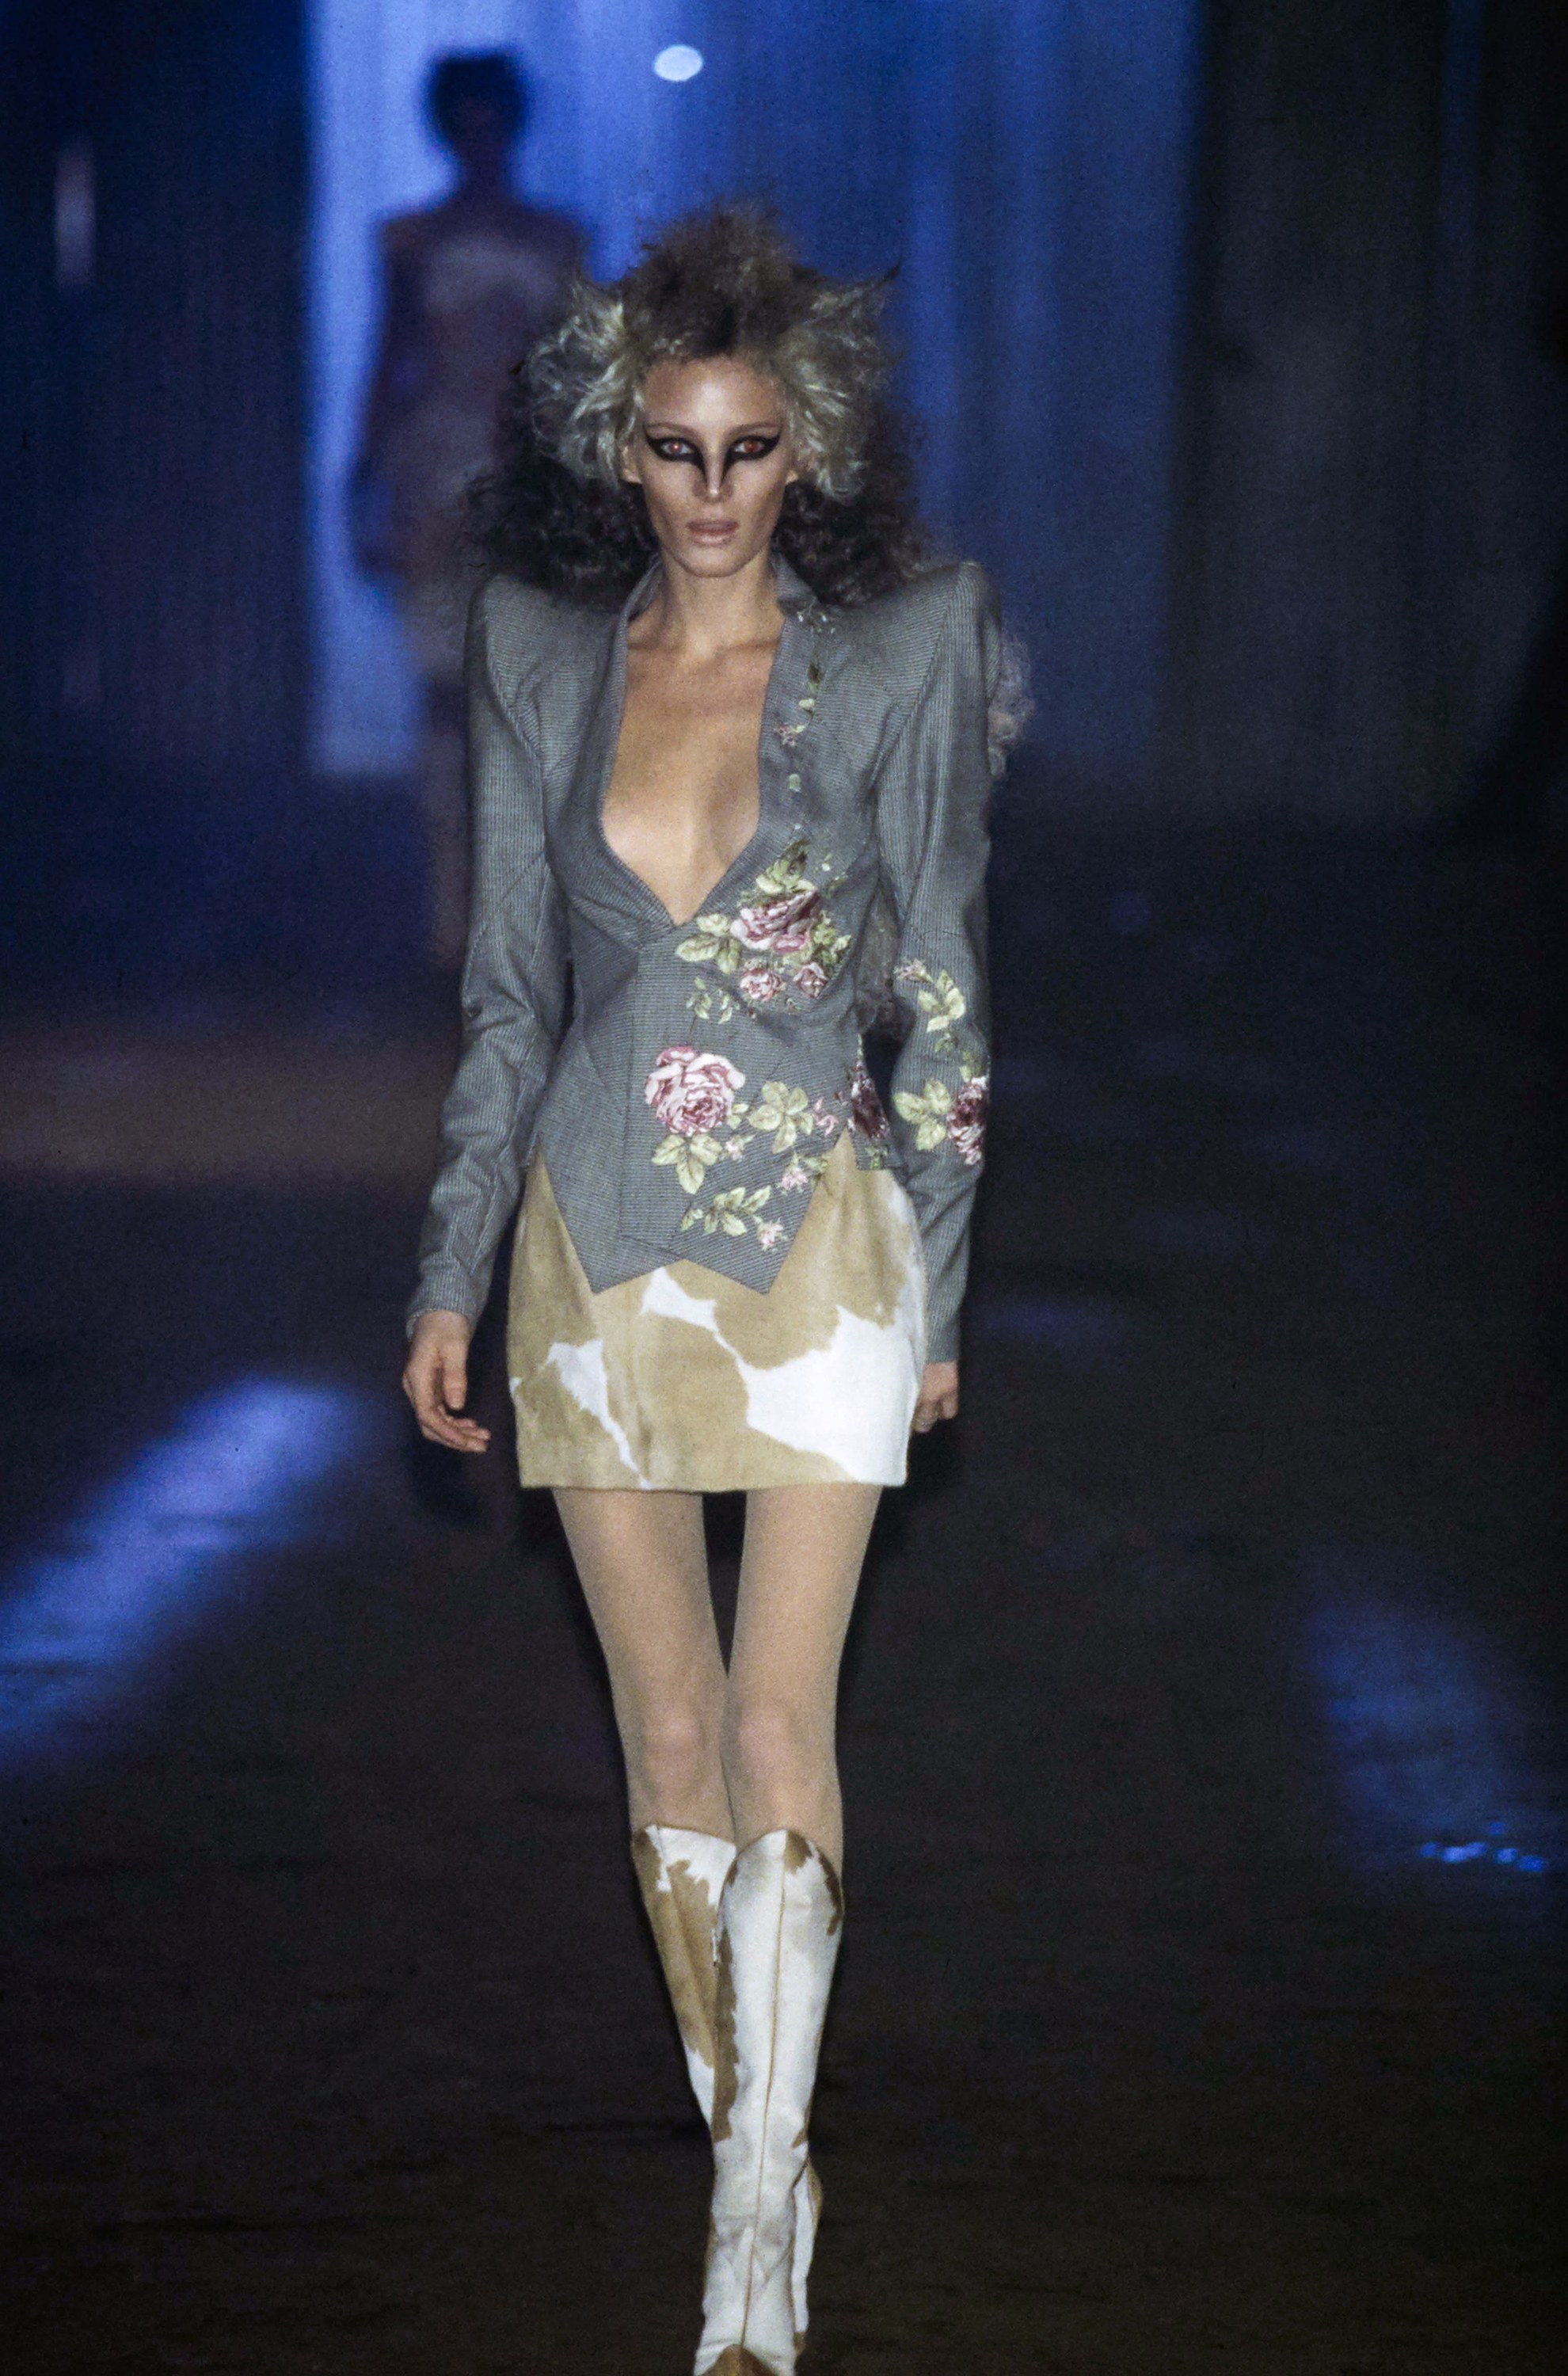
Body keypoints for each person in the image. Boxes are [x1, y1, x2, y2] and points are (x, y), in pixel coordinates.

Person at [402, 206, 1022, 2374]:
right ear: (616, 446)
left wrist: (937, 1291)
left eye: (750, 449)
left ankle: (754, 2209)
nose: (711, 490)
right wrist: (450, 1261)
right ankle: (761, 2142)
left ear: (809, 449)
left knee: (777, 1720)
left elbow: (942, 997)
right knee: (662, 1731)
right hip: (584, 1244)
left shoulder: (910, 648)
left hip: (821, 1248)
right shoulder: (537, 653)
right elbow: (507, 995)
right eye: (673, 448)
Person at [350, 51, 584, 966]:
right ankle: (452, 901)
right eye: (466, 123)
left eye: (493, 122)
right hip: (435, 475)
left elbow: (580, 372)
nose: (480, 140)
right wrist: (363, 481)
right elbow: (390, 358)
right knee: (446, 685)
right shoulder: (409, 241)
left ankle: (518, 905)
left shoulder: (560, 241)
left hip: (530, 473)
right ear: (446, 130)